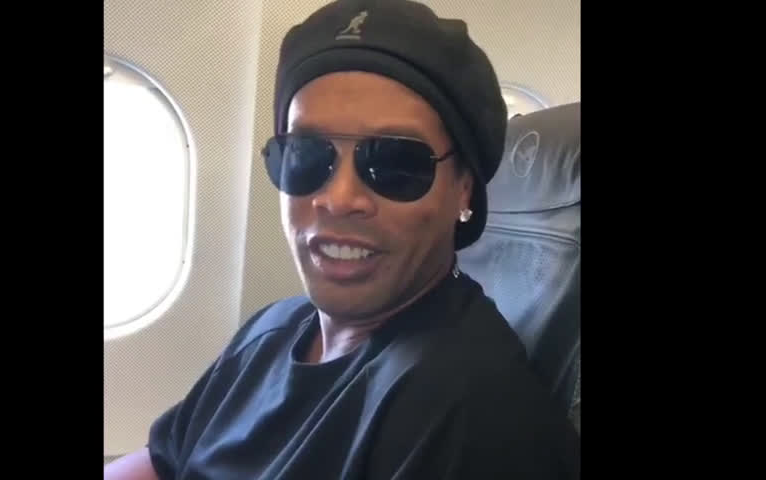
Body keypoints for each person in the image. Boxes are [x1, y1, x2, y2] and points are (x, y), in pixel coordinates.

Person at [105, 0, 580, 478]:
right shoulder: (272, 330)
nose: (338, 198)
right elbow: (163, 462)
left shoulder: (473, 416)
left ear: (464, 189)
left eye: (395, 162)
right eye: (307, 155)